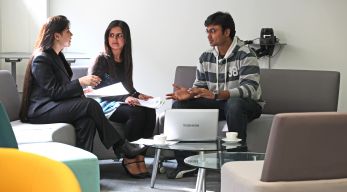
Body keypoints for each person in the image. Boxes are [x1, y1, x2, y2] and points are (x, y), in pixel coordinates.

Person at [19, 15, 148, 179]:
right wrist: (80, 83)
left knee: (86, 120)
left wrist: (82, 90)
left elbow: (62, 89)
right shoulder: (42, 58)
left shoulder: (57, 56)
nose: (71, 34)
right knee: (89, 105)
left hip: (53, 105)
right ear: (57, 35)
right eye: (67, 31)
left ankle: (83, 172)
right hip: (40, 110)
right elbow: (54, 92)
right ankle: (121, 146)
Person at [166, 11, 263, 179]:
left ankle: (237, 163)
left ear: (227, 32)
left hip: (246, 104)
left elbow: (250, 89)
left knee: (234, 104)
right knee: (178, 106)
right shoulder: (206, 57)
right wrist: (189, 94)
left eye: (213, 31)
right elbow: (200, 86)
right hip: (218, 103)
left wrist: (217, 95)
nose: (209, 36)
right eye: (207, 31)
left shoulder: (246, 54)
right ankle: (186, 163)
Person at [88, 20, 156, 178]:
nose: (114, 39)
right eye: (111, 35)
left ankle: (140, 156)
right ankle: (129, 158)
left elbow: (126, 86)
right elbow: (95, 89)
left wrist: (138, 95)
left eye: (119, 35)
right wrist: (126, 98)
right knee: (136, 113)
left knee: (150, 111)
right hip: (103, 104)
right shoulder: (101, 59)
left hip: (120, 100)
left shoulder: (126, 58)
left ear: (126, 39)